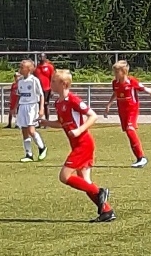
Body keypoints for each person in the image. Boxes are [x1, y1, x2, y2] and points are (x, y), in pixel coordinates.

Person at [49, 69, 115, 222]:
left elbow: (93, 116)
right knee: (84, 181)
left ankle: (100, 192)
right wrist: (45, 122)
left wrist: (79, 130)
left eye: (53, 81)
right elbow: (61, 123)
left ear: (63, 84)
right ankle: (107, 211)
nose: (50, 83)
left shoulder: (73, 99)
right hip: (77, 145)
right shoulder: (58, 103)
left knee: (64, 177)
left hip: (83, 144)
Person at [103, 59, 151, 167]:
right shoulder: (115, 83)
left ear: (124, 72)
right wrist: (109, 104)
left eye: (117, 71)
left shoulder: (131, 81)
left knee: (130, 130)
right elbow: (116, 93)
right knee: (128, 132)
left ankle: (141, 158)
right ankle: (139, 158)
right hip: (122, 110)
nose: (115, 74)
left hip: (131, 109)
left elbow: (146, 89)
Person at [14, 58, 48, 162]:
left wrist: (41, 108)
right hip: (22, 106)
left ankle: (42, 147)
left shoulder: (34, 80)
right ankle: (28, 154)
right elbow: (19, 95)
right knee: (24, 131)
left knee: (31, 130)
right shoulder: (20, 81)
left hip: (32, 106)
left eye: (22, 67)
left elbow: (41, 95)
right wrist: (15, 107)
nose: (20, 69)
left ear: (28, 69)